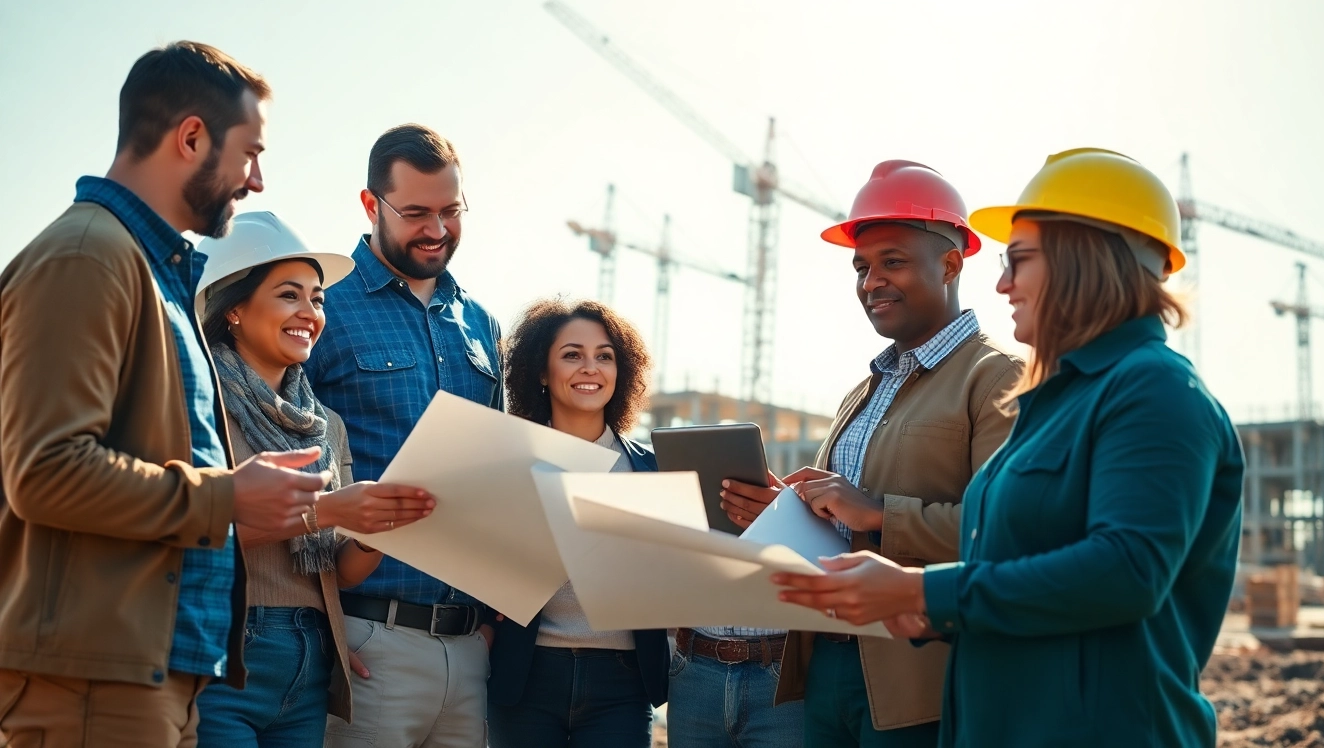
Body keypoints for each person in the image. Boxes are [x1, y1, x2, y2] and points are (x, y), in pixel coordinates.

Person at [774, 148, 1245, 747]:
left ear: (1085, 260)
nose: (1001, 284)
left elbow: (1126, 571)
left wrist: (922, 590)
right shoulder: (1056, 403)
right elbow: (1014, 565)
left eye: (1017, 261)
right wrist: (927, 612)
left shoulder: (1155, 391)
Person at [0, 42, 334, 748]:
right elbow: (45, 470)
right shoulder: (87, 257)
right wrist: (227, 497)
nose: (257, 180)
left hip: (157, 681)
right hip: (94, 687)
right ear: (191, 137)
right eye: (250, 153)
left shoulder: (150, 273)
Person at [719, 161, 1021, 747]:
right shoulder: (862, 392)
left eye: (893, 262)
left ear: (952, 264)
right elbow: (845, 528)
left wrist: (878, 511)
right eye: (862, 267)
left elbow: (1005, 531)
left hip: (918, 679)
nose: (871, 281)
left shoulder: (996, 377)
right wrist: (790, 512)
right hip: (826, 666)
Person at [190, 212, 436, 747]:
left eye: (317, 299)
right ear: (233, 308)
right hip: (223, 652)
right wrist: (326, 511)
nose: (310, 312)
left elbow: (339, 572)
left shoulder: (329, 428)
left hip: (313, 658)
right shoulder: (197, 411)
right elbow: (193, 537)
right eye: (289, 296)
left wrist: (376, 527)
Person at [306, 124, 502, 748]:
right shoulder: (321, 308)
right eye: (416, 212)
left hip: (468, 650)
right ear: (371, 205)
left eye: (451, 211)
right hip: (367, 640)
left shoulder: (482, 323)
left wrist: (489, 621)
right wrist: (331, 632)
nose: (437, 230)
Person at [487, 298, 670, 748]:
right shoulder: (508, 461)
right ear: (542, 372)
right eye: (572, 354)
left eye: (604, 356)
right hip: (525, 676)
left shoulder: (655, 469)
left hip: (621, 684)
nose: (591, 367)